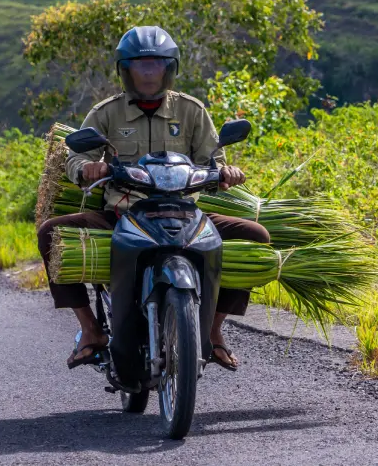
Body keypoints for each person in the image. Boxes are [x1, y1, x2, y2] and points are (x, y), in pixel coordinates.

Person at [37, 25, 270, 371]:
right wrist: (87, 169)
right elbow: (75, 156)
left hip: (184, 213)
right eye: (141, 66)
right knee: (49, 233)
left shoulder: (191, 111)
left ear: (170, 68)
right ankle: (89, 331)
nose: (149, 73)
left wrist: (224, 172)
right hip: (122, 212)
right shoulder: (107, 112)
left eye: (156, 65)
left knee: (257, 236)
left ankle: (215, 331)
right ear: (125, 70)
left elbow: (212, 158)